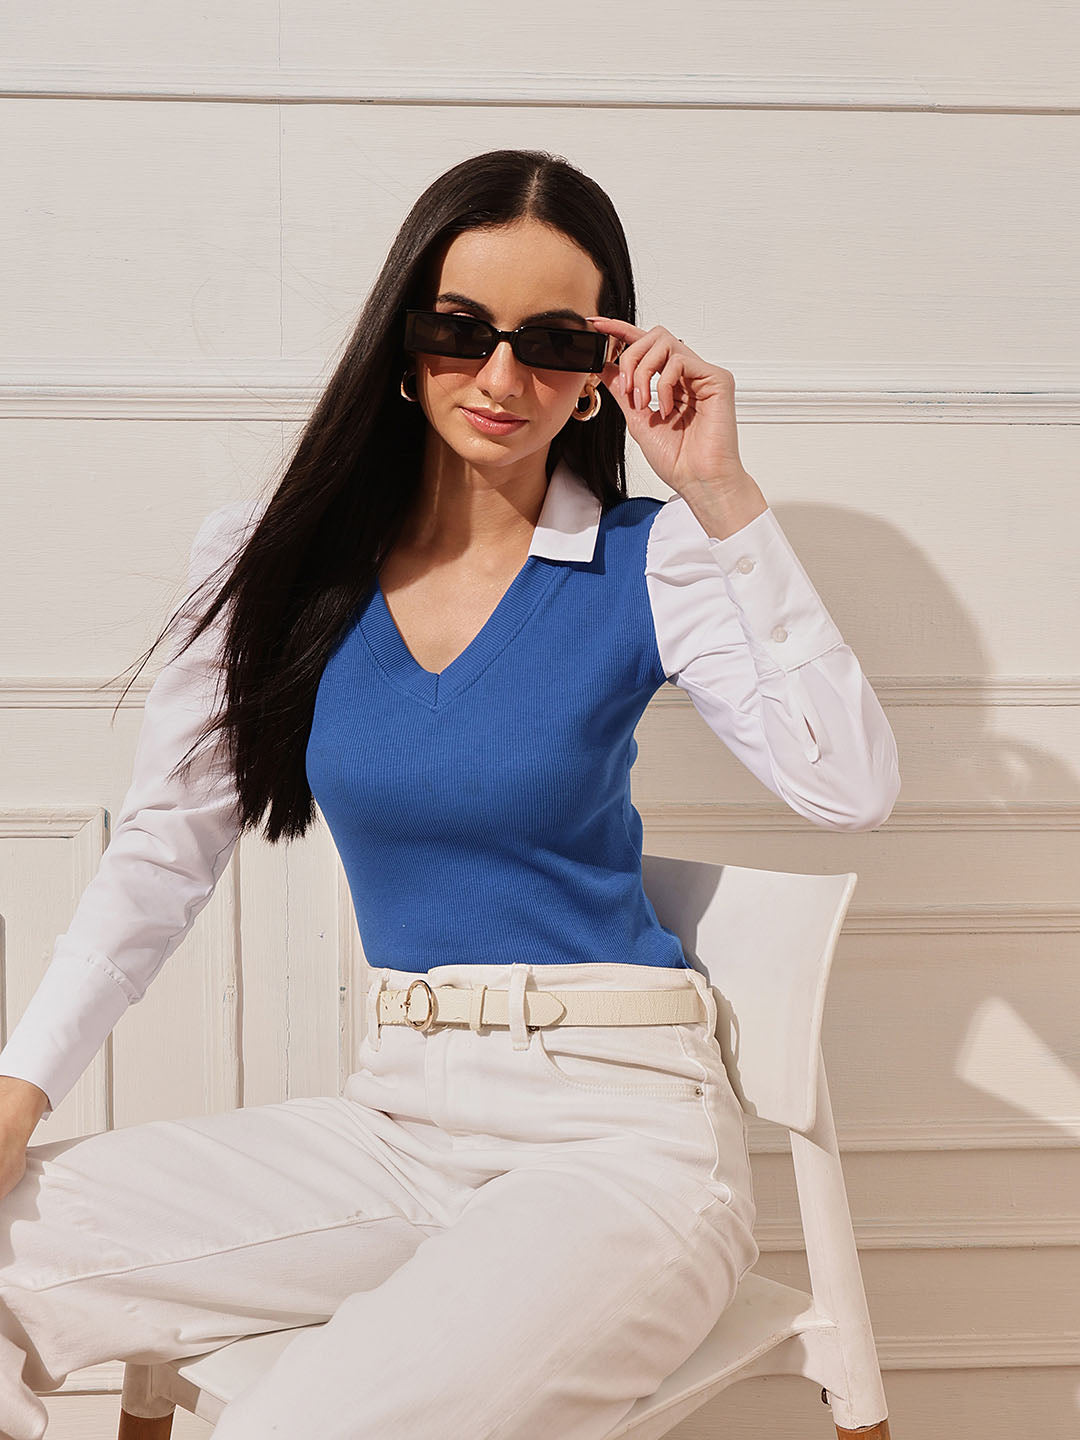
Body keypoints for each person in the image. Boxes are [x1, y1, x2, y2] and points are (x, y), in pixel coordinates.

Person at [0, 148, 900, 1440]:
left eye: (554, 344)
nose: (501, 379)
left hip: (621, 1141)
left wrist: (720, 491)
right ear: (401, 339)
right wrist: (23, 1086)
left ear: (601, 374)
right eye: (460, 330)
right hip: (398, 1119)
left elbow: (849, 785)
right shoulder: (275, 563)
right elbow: (166, 849)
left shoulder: (657, 563)